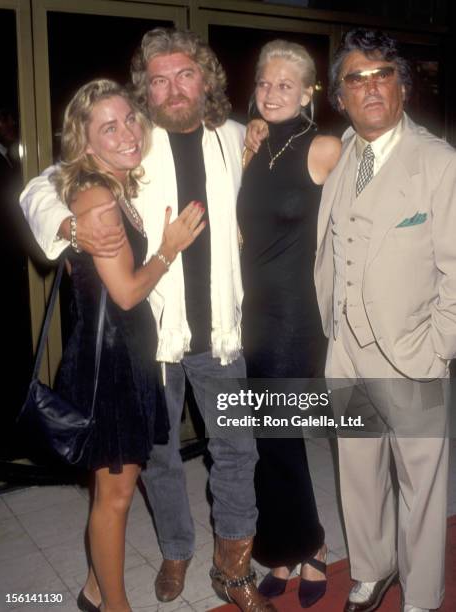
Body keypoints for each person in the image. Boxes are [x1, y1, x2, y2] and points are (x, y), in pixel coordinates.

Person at [20, 29, 275, 612]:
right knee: (157, 456)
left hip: (220, 336)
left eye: (184, 74)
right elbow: (42, 186)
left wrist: (267, 124)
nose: (173, 88)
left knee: (237, 448)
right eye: (158, 79)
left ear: (206, 77)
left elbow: (289, 150)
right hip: (153, 338)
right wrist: (68, 226)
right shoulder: (135, 141)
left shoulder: (235, 138)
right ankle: (177, 549)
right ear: (146, 91)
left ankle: (232, 569)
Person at [49, 79, 205, 612]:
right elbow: (127, 290)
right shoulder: (97, 198)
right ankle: (115, 606)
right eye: (107, 126)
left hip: (124, 356)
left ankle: (95, 590)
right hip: (113, 363)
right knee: (115, 500)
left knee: (108, 492)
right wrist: (169, 249)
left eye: (129, 119)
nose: (126, 132)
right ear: (86, 142)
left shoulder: (113, 187)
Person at [315, 28, 454, 612]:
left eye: (383, 75)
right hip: (345, 346)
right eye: (356, 78)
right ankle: (372, 570)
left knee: (421, 485)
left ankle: (421, 596)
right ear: (340, 96)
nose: (370, 88)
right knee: (358, 470)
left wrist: (440, 345)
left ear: (402, 87)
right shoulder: (342, 151)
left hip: (413, 349)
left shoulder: (439, 162)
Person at [238, 40, 340, 608]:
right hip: (249, 312)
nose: (272, 92)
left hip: (296, 315)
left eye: (285, 84)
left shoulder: (325, 147)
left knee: (280, 434)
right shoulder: (251, 146)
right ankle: (280, 546)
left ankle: (311, 545)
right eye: (263, 82)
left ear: (307, 92)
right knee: (262, 437)